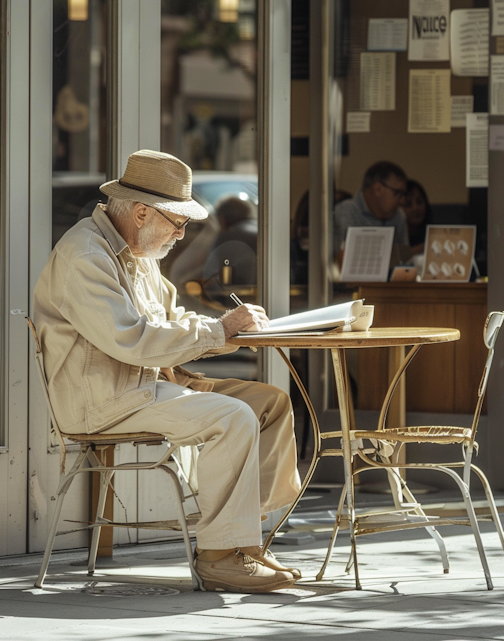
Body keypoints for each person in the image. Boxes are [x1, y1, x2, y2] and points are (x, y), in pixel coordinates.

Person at [33, 149, 301, 594]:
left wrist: (232, 330)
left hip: (148, 385)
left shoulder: (138, 255)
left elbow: (172, 320)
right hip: (104, 400)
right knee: (233, 417)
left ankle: (245, 542)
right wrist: (218, 330)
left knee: (269, 404)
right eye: (177, 223)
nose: (181, 234)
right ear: (141, 213)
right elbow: (133, 339)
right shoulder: (86, 256)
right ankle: (218, 555)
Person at [333, 161, 409, 256]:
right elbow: (341, 261)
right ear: (378, 189)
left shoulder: (399, 216)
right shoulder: (346, 212)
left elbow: (404, 261)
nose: (402, 201)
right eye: (397, 193)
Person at [403, 179, 432, 254]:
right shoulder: (396, 236)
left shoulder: (435, 232)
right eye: (408, 204)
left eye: (419, 202)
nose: (415, 208)